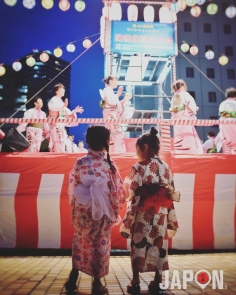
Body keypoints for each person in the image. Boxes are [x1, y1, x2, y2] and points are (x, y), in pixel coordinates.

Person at [66, 125, 125, 294]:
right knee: (100, 244)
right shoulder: (109, 165)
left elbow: (73, 186)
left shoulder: (80, 163)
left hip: (83, 209)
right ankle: (97, 283)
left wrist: (75, 206)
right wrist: (115, 208)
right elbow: (117, 191)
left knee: (80, 240)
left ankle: (73, 275)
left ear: (88, 142)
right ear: (107, 142)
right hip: (102, 210)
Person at [121, 127, 179, 295]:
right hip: (160, 213)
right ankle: (158, 279)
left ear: (145, 147)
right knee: (158, 243)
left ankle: (136, 280)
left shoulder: (139, 166)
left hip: (142, 212)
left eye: (137, 149)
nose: (137, 152)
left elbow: (133, 191)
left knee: (139, 243)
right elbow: (171, 191)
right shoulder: (166, 167)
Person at [169, 79, 203, 154]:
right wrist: (195, 109)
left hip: (177, 122)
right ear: (183, 86)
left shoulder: (174, 97)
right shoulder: (185, 94)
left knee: (179, 139)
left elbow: (173, 111)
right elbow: (192, 106)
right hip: (185, 120)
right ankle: (191, 153)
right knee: (188, 138)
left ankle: (180, 153)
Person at [48, 83, 84, 153]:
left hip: (60, 125)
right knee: (58, 142)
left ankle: (59, 158)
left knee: (61, 142)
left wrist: (74, 111)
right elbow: (53, 108)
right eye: (62, 89)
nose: (64, 90)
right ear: (57, 91)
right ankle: (58, 159)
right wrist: (63, 106)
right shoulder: (54, 99)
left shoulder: (60, 101)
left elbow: (67, 113)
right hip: (55, 125)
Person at [100, 75, 132, 153]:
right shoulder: (107, 90)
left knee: (117, 135)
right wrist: (118, 94)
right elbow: (107, 105)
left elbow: (114, 106)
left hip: (113, 118)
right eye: (115, 80)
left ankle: (118, 153)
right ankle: (115, 155)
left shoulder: (110, 92)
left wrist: (124, 100)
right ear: (111, 81)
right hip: (110, 118)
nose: (117, 82)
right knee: (114, 136)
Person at [219, 87, 236, 154]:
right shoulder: (235, 103)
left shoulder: (222, 104)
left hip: (225, 127)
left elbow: (222, 115)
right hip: (234, 126)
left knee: (227, 148)